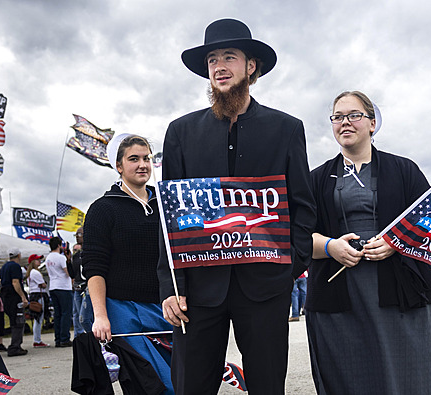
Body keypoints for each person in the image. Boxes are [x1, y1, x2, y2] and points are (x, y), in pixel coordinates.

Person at [157, 19, 316, 394]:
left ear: (251, 66)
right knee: (192, 385)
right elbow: (169, 219)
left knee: (266, 385)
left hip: (265, 286)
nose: (219, 66)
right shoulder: (180, 132)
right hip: (197, 291)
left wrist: (289, 266)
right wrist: (170, 285)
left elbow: (303, 207)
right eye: (212, 59)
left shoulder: (286, 128)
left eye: (230, 56)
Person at [306, 91, 431, 394]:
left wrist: (397, 242)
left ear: (372, 123)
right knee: (350, 378)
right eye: (338, 117)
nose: (345, 123)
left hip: (399, 291)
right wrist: (331, 247)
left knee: (405, 376)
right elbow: (297, 236)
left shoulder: (404, 170)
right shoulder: (315, 179)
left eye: (354, 115)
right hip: (338, 294)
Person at [84, 133, 174, 394]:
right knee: (149, 385)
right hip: (124, 312)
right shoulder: (103, 209)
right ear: (119, 166)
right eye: (133, 159)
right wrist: (100, 316)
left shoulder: (166, 203)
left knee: (181, 379)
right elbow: (94, 267)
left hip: (165, 307)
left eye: (146, 158)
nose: (142, 165)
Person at [0, 248, 29, 356]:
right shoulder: (15, 266)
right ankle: (15, 346)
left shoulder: (4, 266)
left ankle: (15, 345)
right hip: (13, 296)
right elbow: (15, 282)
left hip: (5, 296)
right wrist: (23, 296)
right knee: (18, 321)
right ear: (19, 255)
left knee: (13, 320)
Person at [45, 237, 73, 347]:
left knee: (58, 314)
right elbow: (68, 272)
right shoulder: (61, 258)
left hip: (53, 286)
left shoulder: (48, 258)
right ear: (58, 246)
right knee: (66, 313)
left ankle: (58, 338)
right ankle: (64, 338)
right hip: (63, 287)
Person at [71, 229, 94, 339]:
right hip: (78, 288)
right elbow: (73, 273)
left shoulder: (91, 251)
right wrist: (67, 260)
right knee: (77, 317)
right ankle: (79, 339)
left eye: (80, 234)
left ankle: (96, 339)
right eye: (76, 235)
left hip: (88, 287)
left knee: (84, 318)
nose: (77, 237)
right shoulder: (76, 255)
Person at [26, 254, 50, 348]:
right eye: (37, 260)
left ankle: (37, 339)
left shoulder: (31, 273)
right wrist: (43, 283)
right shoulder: (35, 272)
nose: (39, 262)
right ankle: (37, 340)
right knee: (39, 318)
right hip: (38, 295)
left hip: (34, 294)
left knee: (37, 317)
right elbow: (43, 284)